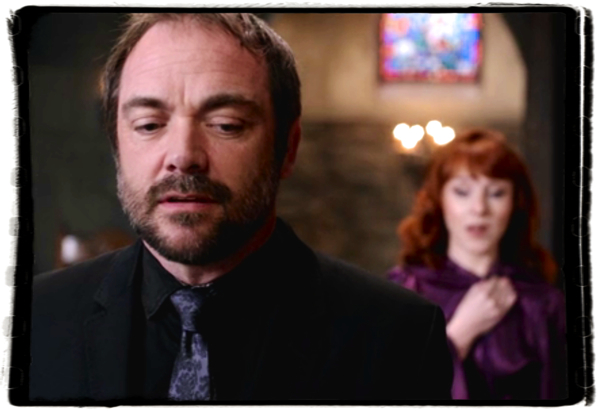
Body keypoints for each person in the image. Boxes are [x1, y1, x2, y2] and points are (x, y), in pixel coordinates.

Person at [29, 13, 453, 403]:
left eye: (226, 125)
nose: (183, 156)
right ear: (117, 146)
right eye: (149, 125)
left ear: (287, 147)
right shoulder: (33, 319)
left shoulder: (399, 336)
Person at [387, 129, 567, 400]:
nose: (479, 209)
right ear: (439, 200)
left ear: (515, 203)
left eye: (496, 193)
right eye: (462, 192)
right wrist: (457, 335)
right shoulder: (405, 292)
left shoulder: (542, 303)